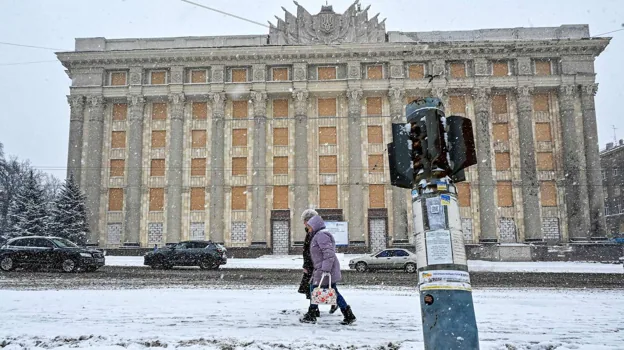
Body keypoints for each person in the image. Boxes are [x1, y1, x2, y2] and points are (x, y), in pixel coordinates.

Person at [300, 214, 356, 325]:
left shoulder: (321, 236)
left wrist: (325, 269)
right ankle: (348, 314)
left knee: (315, 289)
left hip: (324, 269)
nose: (308, 229)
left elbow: (329, 253)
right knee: (325, 291)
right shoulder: (317, 235)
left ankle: (312, 314)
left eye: (310, 226)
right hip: (321, 268)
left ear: (315, 226)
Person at [298, 209, 338, 317]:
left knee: (315, 287)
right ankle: (315, 310)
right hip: (314, 264)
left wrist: (308, 265)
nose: (304, 224)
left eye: (305, 221)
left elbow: (313, 251)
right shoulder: (312, 232)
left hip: (315, 265)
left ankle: (314, 311)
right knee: (320, 287)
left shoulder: (315, 234)